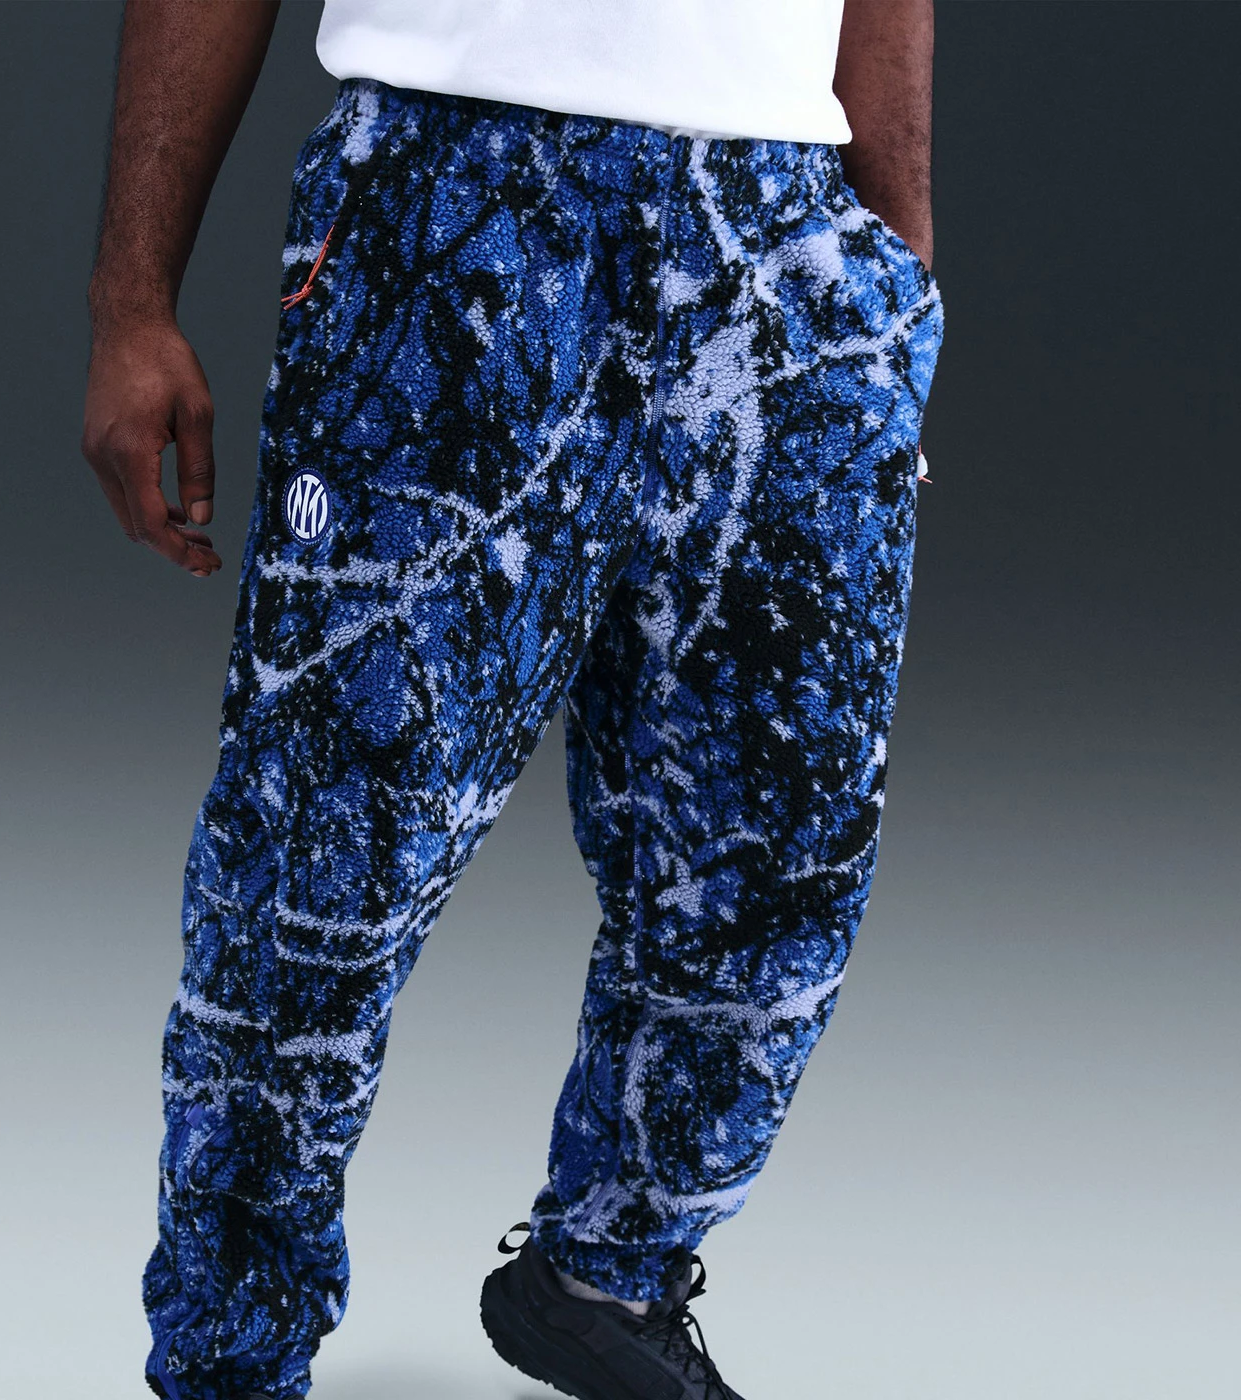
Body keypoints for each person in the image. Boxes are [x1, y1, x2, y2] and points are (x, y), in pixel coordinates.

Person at [81, 2, 943, 1396]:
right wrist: (133, 300)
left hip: (791, 237)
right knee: (325, 849)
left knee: (776, 847)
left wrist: (895, 284)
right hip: (458, 200)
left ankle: (608, 1276)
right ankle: (231, 1353)